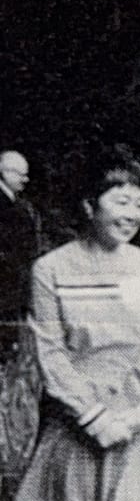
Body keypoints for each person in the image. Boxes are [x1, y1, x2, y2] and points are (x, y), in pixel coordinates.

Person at [0, 154, 140, 501]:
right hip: (77, 428)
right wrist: (97, 419)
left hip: (139, 429)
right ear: (88, 205)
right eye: (120, 201)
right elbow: (51, 355)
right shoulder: (51, 270)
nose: (132, 214)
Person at [0, 151, 40, 360]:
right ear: (5, 172)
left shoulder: (17, 203)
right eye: (21, 175)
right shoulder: (4, 204)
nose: (26, 180)